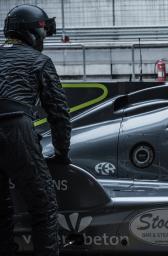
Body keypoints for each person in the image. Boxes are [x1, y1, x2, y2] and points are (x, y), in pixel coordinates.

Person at [0, 4, 71, 256]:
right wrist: (62, 153)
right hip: (15, 128)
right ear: (33, 33)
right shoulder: (40, 61)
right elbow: (59, 114)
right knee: (44, 207)